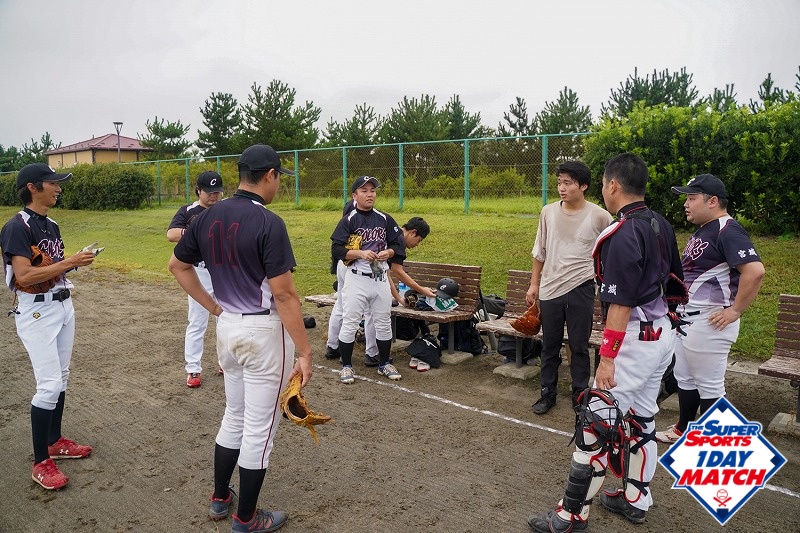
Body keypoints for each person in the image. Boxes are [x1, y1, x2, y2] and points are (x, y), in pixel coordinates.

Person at [528, 153, 683, 532]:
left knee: (595, 425)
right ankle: (636, 498)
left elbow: (621, 302)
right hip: (661, 335)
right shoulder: (660, 222)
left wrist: (609, 357)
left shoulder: (622, 231)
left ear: (613, 185)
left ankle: (571, 515)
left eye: (602, 183)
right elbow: (676, 285)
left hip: (633, 341)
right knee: (641, 420)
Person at [169, 144, 312, 532]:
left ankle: (220, 498)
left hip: (228, 326)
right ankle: (246, 519)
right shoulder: (268, 221)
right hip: (264, 331)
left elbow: (177, 265)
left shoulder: (206, 216)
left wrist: (213, 307)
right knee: (260, 429)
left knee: (235, 414)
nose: (279, 184)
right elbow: (284, 295)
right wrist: (305, 351)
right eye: (279, 177)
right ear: (270, 175)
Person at [1, 163, 97, 490]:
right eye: (52, 183)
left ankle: (54, 442)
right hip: (37, 312)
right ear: (32, 187)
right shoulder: (16, 226)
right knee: (49, 384)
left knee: (62, 377)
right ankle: (40, 462)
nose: (58, 187)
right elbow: (25, 276)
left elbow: (52, 267)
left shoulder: (51, 225)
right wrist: (70, 262)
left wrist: (73, 261)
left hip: (62, 304)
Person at [655, 174, 765, 444]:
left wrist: (735, 311)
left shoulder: (728, 230)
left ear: (712, 201)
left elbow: (755, 271)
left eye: (692, 198)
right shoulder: (706, 229)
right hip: (689, 321)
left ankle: (712, 445)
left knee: (709, 386)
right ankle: (683, 429)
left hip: (710, 322)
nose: (686, 204)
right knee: (685, 379)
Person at [526, 160, 613, 414]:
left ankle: (580, 395)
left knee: (579, 345)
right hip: (550, 288)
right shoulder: (548, 212)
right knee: (549, 345)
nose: (561, 188)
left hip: (581, 288)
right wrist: (534, 284)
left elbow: (610, 253)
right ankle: (547, 393)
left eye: (568, 183)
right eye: (559, 183)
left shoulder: (600, 216)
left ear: (583, 186)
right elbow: (539, 251)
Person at [326, 215, 436, 368]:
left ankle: (333, 346)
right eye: (419, 240)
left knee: (342, 306)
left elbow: (384, 273)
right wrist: (422, 290)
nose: (417, 244)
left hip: (346, 264)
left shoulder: (390, 231)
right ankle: (372, 353)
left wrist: (398, 298)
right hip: (359, 268)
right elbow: (397, 271)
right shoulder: (398, 239)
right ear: (413, 232)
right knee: (368, 313)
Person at [330, 175, 404, 384]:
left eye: (372, 190)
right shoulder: (349, 219)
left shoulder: (384, 218)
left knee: (383, 322)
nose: (370, 194)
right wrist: (360, 253)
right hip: (357, 278)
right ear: (354, 195)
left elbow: (397, 244)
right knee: (350, 322)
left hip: (379, 278)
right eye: (364, 191)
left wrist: (389, 252)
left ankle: (384, 363)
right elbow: (337, 249)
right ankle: (346, 366)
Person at [167, 170, 224, 388]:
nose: (214, 195)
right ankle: (193, 369)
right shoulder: (189, 211)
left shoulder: (226, 209)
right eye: (209, 192)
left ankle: (226, 363)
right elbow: (171, 234)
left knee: (226, 319)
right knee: (198, 321)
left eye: (217, 191)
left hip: (224, 271)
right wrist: (196, 232)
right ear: (198, 190)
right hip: (199, 272)